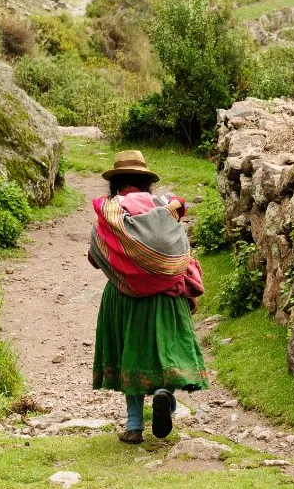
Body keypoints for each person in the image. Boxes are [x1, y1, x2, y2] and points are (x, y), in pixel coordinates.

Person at [88, 150, 208, 444]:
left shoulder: (110, 212)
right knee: (165, 346)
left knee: (130, 350)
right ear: (146, 182)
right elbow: (179, 250)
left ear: (115, 184)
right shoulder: (165, 207)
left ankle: (133, 425)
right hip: (168, 294)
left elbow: (95, 256)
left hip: (123, 293)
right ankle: (162, 393)